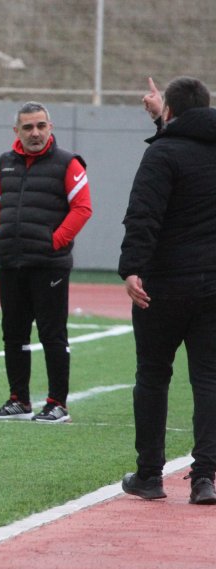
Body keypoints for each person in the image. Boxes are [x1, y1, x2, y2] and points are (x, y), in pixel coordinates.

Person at [119, 76, 216, 506]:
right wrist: (163, 117)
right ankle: (205, 478)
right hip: (213, 285)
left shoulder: (162, 154)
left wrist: (132, 269)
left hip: (163, 285)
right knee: (209, 379)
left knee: (153, 376)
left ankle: (149, 475)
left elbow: (144, 214)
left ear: (171, 112)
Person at [0, 101, 91, 424]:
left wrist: (54, 242)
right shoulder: (5, 163)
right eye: (28, 127)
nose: (35, 132)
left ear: (50, 128)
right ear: (16, 131)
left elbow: (82, 209)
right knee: (13, 334)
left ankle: (57, 403)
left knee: (52, 334)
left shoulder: (68, 163)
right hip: (12, 262)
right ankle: (19, 400)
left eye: (41, 126)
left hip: (50, 266)